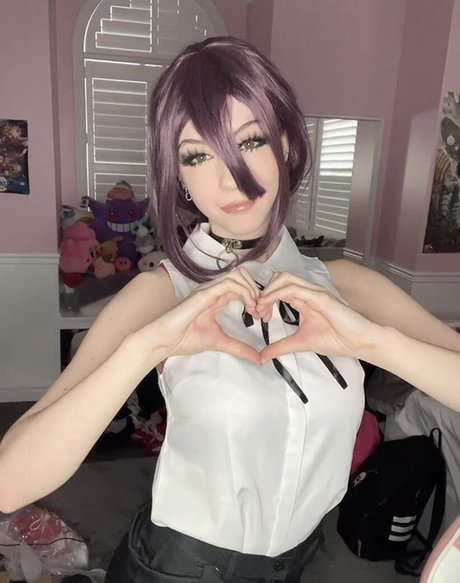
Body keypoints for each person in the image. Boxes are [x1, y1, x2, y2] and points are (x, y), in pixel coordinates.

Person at [0, 36, 460, 583]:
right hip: (177, 568)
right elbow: (10, 481)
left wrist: (373, 343)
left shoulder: (347, 286)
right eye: (198, 155)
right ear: (179, 175)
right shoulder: (162, 292)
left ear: (286, 144)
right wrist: (149, 347)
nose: (229, 177)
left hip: (297, 561)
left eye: (251, 140)